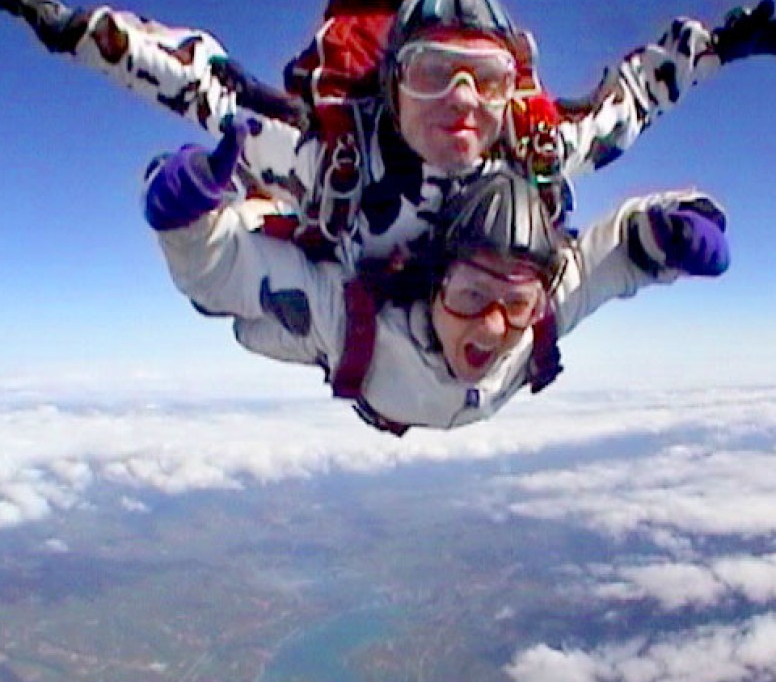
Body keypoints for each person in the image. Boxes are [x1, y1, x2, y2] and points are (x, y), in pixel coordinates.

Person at [0, 0, 770, 269]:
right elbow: (203, 83)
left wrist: (723, 44)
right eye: (435, 75)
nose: (465, 102)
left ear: (513, 89)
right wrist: (79, 33)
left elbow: (632, 98)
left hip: (477, 327)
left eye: (488, 80)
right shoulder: (326, 158)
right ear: (393, 82)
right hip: (352, 317)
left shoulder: (536, 149)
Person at [141, 118, 730, 434]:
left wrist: (676, 228)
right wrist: (188, 223)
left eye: (516, 304)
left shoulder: (540, 315)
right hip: (337, 351)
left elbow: (615, 253)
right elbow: (225, 277)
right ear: (435, 285)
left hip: (381, 384)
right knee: (245, 319)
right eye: (473, 295)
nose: (497, 326)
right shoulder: (348, 320)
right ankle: (257, 194)